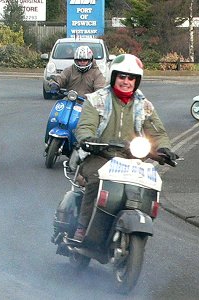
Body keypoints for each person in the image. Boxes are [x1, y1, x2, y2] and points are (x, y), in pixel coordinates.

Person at [72, 53, 178, 241]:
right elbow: (86, 125)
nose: (126, 81)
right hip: (99, 156)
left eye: (131, 78)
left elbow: (157, 133)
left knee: (148, 188)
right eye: (122, 76)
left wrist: (164, 149)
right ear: (114, 77)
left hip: (131, 161)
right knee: (96, 181)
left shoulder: (144, 105)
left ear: (137, 81)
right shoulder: (97, 99)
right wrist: (88, 139)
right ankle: (82, 226)